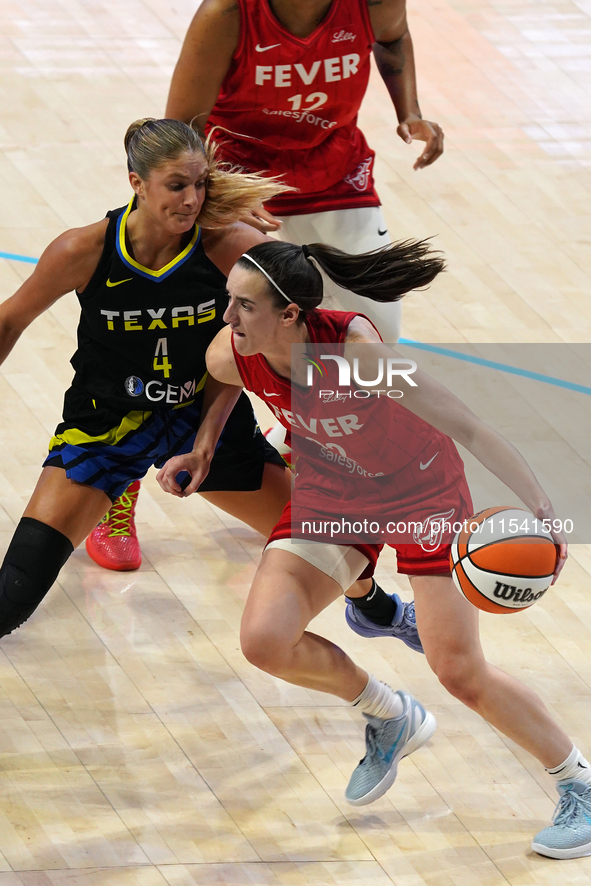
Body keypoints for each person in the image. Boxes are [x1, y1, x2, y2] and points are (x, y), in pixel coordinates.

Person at [156, 238, 591, 858]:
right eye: (229, 301)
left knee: (459, 671)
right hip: (333, 493)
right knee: (265, 640)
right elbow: (225, 378)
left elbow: (465, 424)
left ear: (290, 315)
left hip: (423, 494)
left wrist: (544, 511)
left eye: (245, 307)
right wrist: (203, 447)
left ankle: (579, 783)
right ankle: (389, 714)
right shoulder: (234, 348)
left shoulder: (356, 353)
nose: (228, 318)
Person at [0, 117, 420, 656]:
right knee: (11, 602)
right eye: (177, 185)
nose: (193, 198)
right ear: (137, 183)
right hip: (104, 429)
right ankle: (118, 492)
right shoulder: (82, 250)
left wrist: (306, 420)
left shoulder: (229, 249)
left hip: (206, 426)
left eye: (201, 184)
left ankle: (375, 609)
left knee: (334, 539)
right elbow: (9, 323)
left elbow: (250, 350)